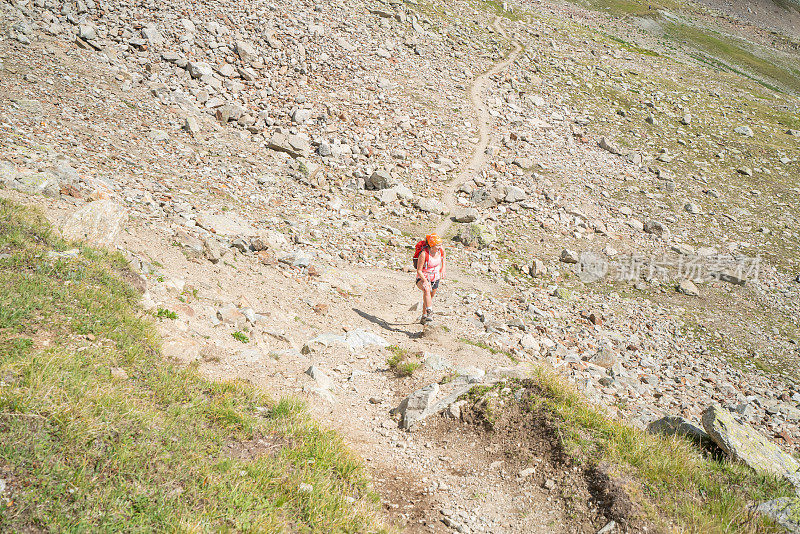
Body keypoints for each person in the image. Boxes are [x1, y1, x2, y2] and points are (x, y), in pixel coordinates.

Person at [416, 233, 445, 324]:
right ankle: (429, 312)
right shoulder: (424, 254)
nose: (439, 248)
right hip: (423, 276)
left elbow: (443, 257)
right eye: (437, 246)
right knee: (427, 290)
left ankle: (424, 316)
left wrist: (443, 268)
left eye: (440, 245)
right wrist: (425, 281)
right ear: (431, 246)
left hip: (435, 277)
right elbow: (419, 270)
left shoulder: (441, 250)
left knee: (429, 297)